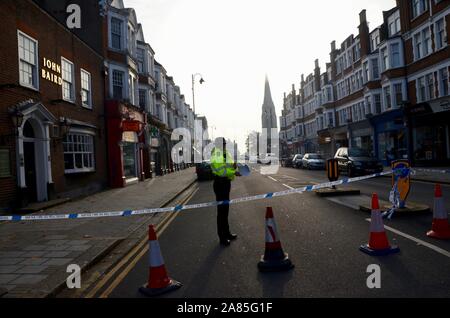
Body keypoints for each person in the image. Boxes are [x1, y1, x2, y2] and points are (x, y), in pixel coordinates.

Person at [210, 137, 241, 246]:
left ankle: (227, 233)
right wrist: (234, 172)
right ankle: (222, 237)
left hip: (226, 183)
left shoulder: (225, 153)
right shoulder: (216, 155)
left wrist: (235, 167)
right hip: (220, 184)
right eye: (222, 144)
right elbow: (221, 171)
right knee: (221, 212)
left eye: (224, 144)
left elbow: (230, 165)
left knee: (225, 211)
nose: (223, 146)